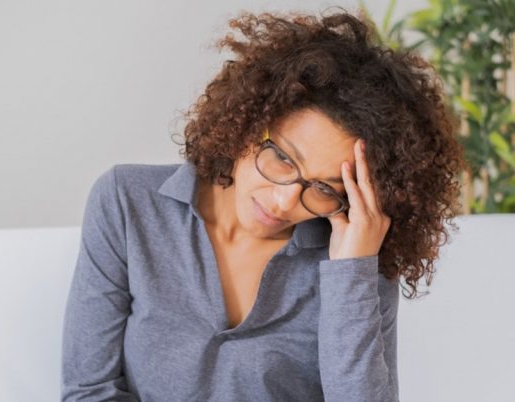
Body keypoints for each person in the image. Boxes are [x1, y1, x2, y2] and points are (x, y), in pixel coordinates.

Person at [61, 7, 465, 402]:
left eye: (325, 188)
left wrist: (352, 274)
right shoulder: (127, 203)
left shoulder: (357, 255)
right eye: (283, 158)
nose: (287, 199)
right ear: (249, 124)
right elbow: (88, 391)